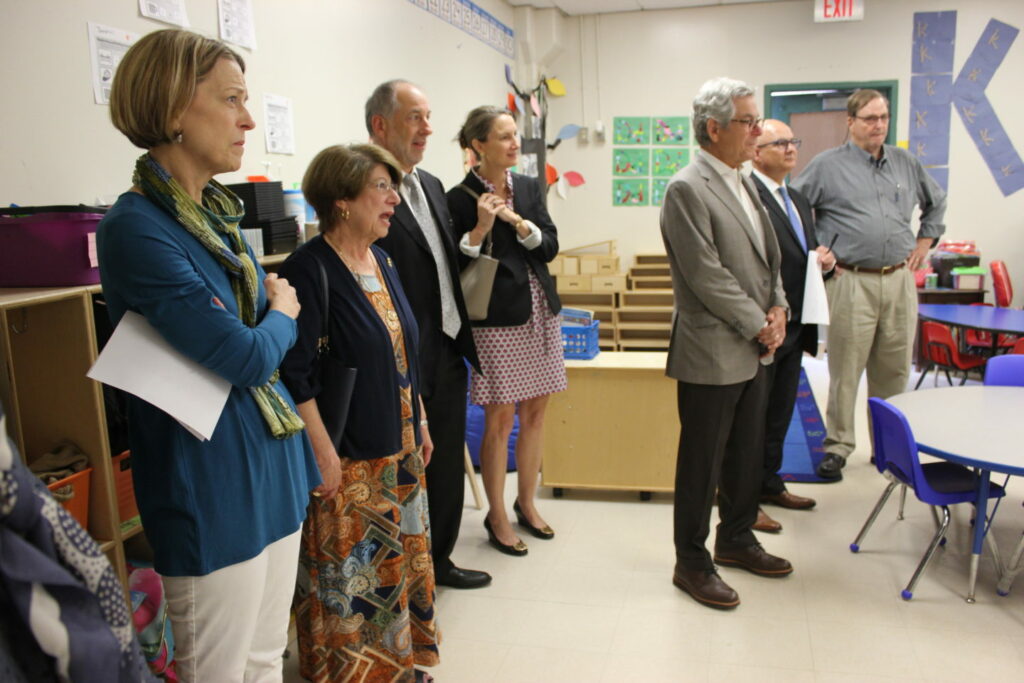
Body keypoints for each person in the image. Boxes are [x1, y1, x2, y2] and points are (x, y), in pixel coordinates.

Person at [97, 29, 321, 681]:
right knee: (218, 672)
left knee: (262, 664)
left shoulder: (217, 217)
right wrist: (283, 311)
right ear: (171, 110)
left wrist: (265, 328)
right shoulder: (135, 227)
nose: (249, 118)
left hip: (272, 472)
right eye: (230, 99)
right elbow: (247, 357)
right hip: (211, 487)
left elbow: (248, 347)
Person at [278, 144, 440, 683]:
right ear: (343, 200)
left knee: (398, 565)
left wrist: (419, 419)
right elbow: (295, 374)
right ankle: (354, 671)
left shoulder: (382, 258)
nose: (395, 198)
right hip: (348, 456)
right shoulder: (310, 268)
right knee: (355, 573)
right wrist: (322, 452)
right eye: (382, 187)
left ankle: (397, 664)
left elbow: (403, 351)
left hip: (399, 448)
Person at [660, 77, 793, 611]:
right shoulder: (687, 188)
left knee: (744, 453)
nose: (757, 131)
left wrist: (779, 306)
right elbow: (705, 276)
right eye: (747, 121)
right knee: (703, 461)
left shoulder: (746, 180)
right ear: (713, 128)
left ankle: (736, 538)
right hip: (714, 346)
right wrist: (759, 322)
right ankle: (691, 562)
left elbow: (770, 258)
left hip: (755, 344)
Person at [367, 80, 490, 590]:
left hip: (446, 345)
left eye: (428, 116)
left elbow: (443, 261)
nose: (428, 128)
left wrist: (476, 240)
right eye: (415, 117)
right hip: (401, 353)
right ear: (381, 126)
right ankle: (403, 573)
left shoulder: (432, 185)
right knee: (406, 464)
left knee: (444, 465)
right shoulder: (366, 189)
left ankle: (440, 560)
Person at [791, 89, 947, 480]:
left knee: (894, 370)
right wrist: (816, 251)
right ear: (851, 121)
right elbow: (792, 207)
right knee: (846, 368)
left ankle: (889, 448)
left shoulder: (905, 163)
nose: (878, 125)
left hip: (897, 279)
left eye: (884, 117)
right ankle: (838, 446)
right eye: (870, 118)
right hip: (850, 280)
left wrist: (926, 239)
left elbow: (936, 201)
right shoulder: (827, 166)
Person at [446, 106, 566, 557]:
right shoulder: (459, 196)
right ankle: (496, 515)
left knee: (536, 413)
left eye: (515, 135)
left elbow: (550, 246)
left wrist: (522, 224)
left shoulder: (531, 188)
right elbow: (456, 266)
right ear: (478, 146)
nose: (515, 144)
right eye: (504, 137)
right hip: (495, 318)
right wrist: (481, 225)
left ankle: (526, 503)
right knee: (500, 420)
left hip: (541, 309)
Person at [750, 120, 836, 530]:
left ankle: (769, 482)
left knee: (780, 412)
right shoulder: (749, 198)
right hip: (767, 322)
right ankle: (744, 501)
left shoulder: (797, 199)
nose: (790, 148)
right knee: (753, 416)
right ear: (756, 152)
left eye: (792, 141)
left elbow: (803, 256)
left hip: (799, 319)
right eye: (779, 142)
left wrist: (825, 263)